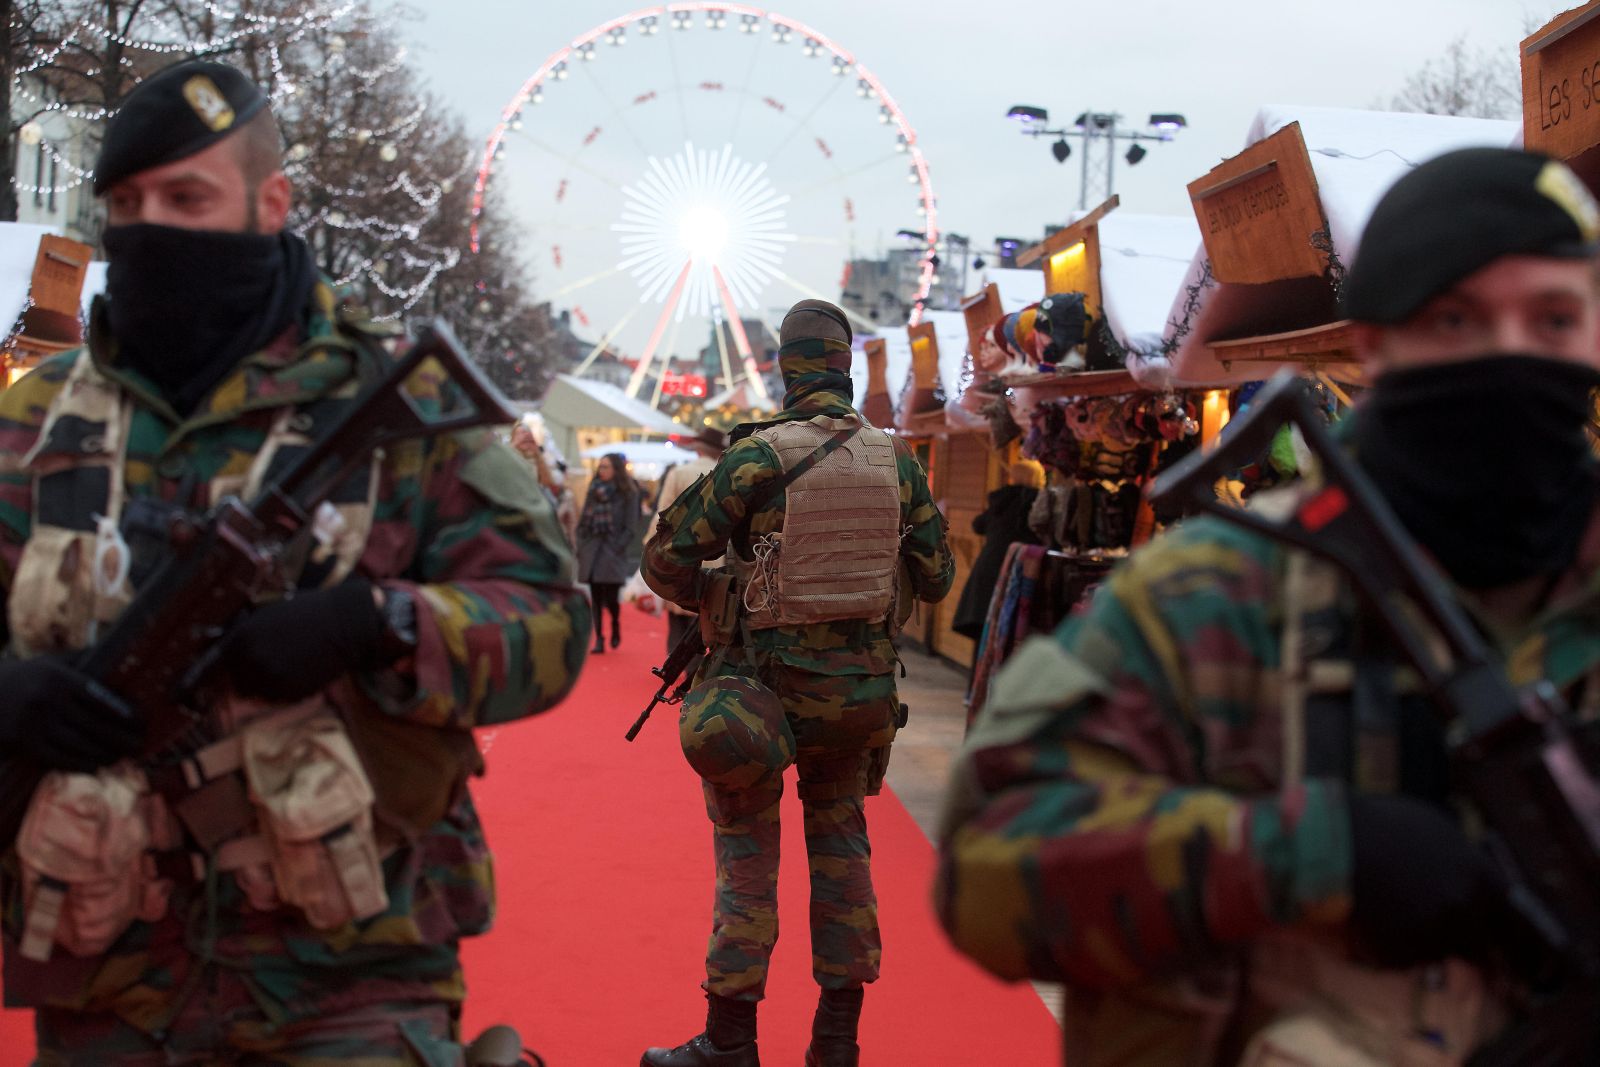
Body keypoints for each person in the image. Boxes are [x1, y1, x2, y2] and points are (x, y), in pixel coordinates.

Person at [934, 146, 1600, 1066]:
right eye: (1456, 318)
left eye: (1555, 318)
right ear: (1371, 343)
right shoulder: (1219, 593)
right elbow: (991, 868)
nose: (1511, 353)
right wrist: (1316, 853)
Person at [0, 59, 588, 1065]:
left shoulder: (393, 417)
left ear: (271, 204)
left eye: (189, 198)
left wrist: (382, 622)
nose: (153, 230)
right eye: (128, 205)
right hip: (110, 973)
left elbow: (549, 622)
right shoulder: (31, 420)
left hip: (350, 971)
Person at [640, 299, 954, 1067]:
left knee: (748, 857)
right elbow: (938, 576)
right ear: (846, 363)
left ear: (785, 366)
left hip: (764, 689)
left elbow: (665, 558)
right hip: (861, 698)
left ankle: (731, 1040)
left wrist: (723, 595)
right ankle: (837, 1043)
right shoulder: (896, 460)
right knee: (843, 853)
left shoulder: (759, 457)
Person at [950, 458, 1044, 643]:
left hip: (989, 568)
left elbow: (978, 525)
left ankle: (981, 670)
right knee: (1010, 633)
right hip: (1018, 572)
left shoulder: (1001, 500)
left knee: (985, 632)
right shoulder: (1037, 503)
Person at [654, 427, 728, 659]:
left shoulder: (678, 473)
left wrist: (652, 547)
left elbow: (662, 516)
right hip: (714, 555)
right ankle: (696, 664)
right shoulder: (723, 474)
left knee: (676, 612)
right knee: (705, 612)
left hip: (678, 552)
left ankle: (674, 659)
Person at [577, 451, 641, 654]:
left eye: (605, 466)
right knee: (595, 596)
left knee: (612, 598)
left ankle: (614, 623)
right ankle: (599, 638)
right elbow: (583, 520)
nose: (601, 470)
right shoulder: (593, 489)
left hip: (613, 551)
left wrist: (618, 546)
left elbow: (631, 525)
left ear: (616, 470)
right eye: (600, 466)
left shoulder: (628, 492)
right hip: (593, 549)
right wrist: (581, 542)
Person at [511, 413, 578, 548]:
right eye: (521, 433)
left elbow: (548, 482)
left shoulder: (538, 459)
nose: (526, 436)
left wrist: (538, 456)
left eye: (528, 434)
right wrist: (515, 445)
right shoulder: (510, 457)